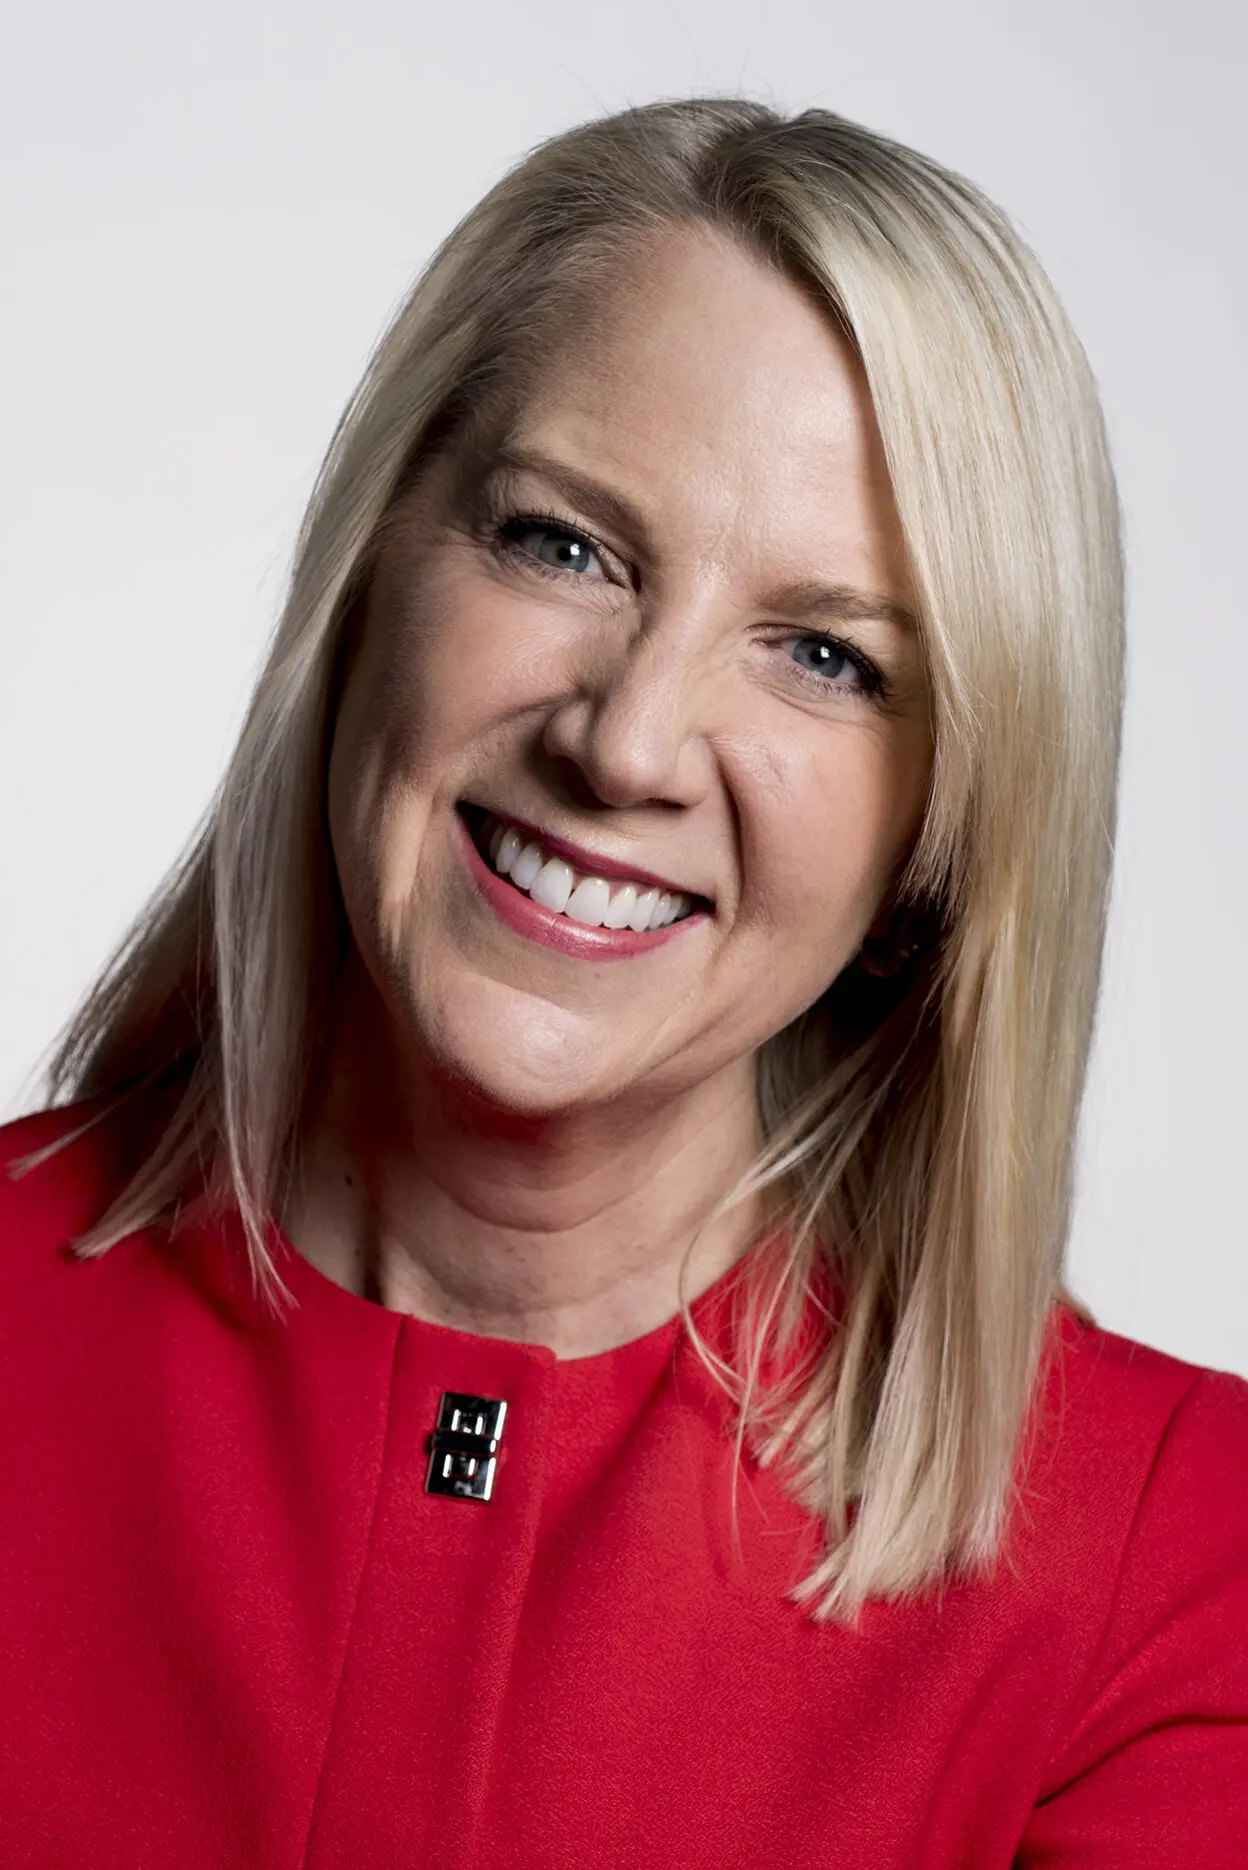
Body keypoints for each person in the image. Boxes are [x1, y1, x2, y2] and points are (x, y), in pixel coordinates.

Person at [1, 96, 1245, 1868]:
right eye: (562, 544)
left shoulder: (1171, 1560)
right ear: (372, 572)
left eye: (823, 655)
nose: (630, 740)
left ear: (945, 836)